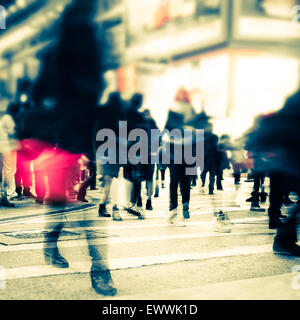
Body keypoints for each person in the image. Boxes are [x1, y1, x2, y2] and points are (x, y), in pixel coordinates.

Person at [24, 0, 117, 296]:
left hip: (83, 140)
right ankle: (98, 269)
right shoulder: (65, 53)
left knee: (70, 201)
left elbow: (42, 94)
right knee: (73, 203)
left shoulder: (89, 52)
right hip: (66, 140)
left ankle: (56, 249)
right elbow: (41, 94)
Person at [246, 89, 300, 255]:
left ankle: (280, 232)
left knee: (277, 190)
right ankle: (282, 236)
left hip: (284, 157)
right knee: (276, 189)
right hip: (288, 156)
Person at [164, 88, 197, 225]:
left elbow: (197, 132)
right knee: (174, 181)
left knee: (185, 181)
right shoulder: (172, 111)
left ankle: (185, 208)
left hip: (188, 152)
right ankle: (173, 208)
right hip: (174, 152)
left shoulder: (192, 111)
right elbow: (168, 129)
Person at [0, 103, 20, 207]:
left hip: (4, 147)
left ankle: (4, 195)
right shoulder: (8, 118)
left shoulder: (4, 118)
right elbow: (13, 132)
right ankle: (9, 193)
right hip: (7, 148)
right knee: (9, 170)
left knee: (4, 171)